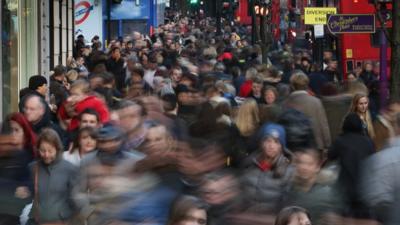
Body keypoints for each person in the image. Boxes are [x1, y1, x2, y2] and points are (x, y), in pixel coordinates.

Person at [329, 113, 375, 218]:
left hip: (346, 187)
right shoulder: (368, 142)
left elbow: (331, 155)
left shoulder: (340, 141)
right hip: (366, 186)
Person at [28, 128, 78, 225]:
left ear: (57, 149)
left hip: (62, 221)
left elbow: (76, 200)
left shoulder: (70, 169)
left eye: (50, 151)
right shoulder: (33, 168)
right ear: (38, 149)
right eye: (42, 150)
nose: (46, 155)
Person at [241, 123, 293, 214]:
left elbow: (286, 206)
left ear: (282, 146)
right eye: (268, 141)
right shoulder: (249, 164)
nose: (271, 146)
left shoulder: (288, 171)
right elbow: (240, 193)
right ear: (261, 143)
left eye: (276, 142)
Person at [0, 113, 35, 225]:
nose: (6, 146)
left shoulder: (21, 156)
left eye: (9, 143)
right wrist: (15, 187)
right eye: (3, 143)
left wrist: (26, 189)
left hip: (13, 215)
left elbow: (29, 184)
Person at [284, 71, 331, 151]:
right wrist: (327, 144)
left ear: (292, 86)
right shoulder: (316, 102)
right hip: (316, 146)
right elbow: (323, 124)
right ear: (306, 85)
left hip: (294, 148)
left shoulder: (286, 104)